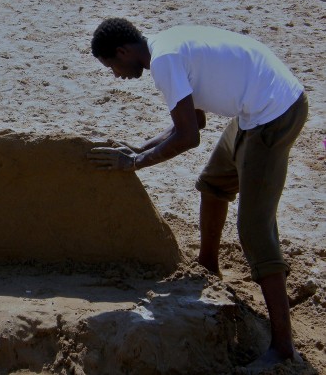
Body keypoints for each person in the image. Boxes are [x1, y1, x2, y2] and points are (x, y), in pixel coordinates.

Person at [88, 18, 308, 369]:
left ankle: (282, 347)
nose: (116, 74)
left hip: (274, 112)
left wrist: (135, 163)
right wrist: (137, 148)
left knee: (254, 229)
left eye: (112, 65)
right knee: (214, 183)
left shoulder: (163, 61)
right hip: (258, 108)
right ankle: (208, 267)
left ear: (123, 51)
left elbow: (190, 137)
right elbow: (195, 122)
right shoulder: (165, 45)